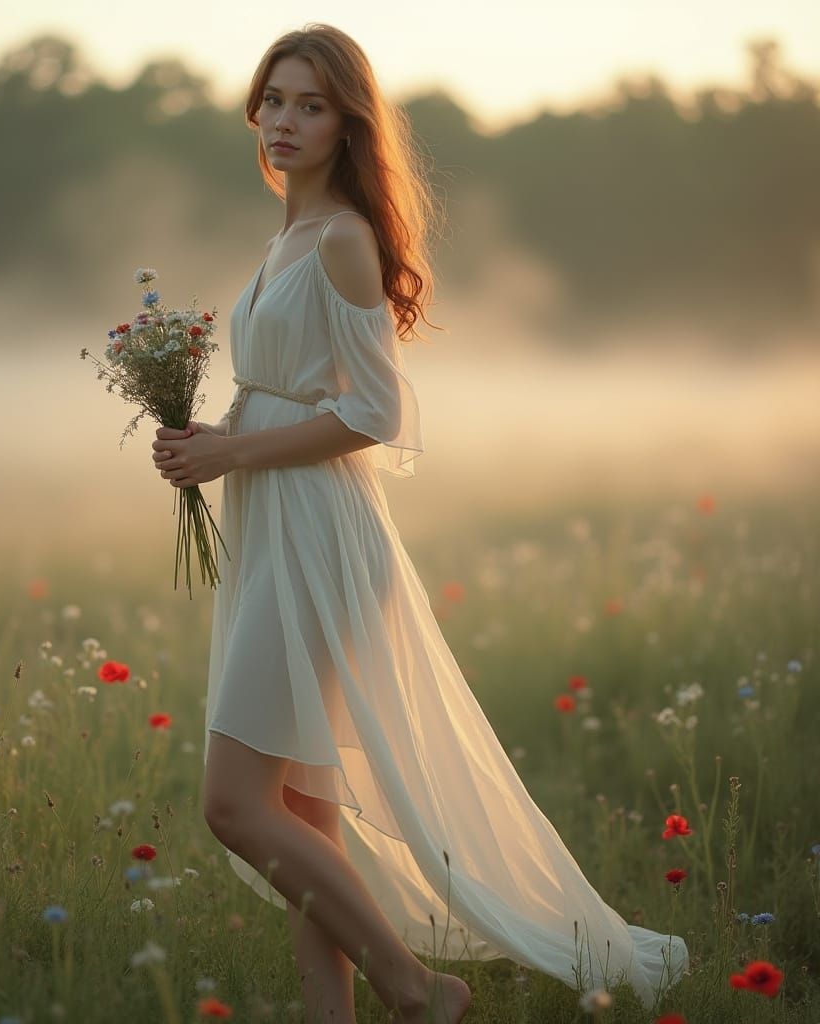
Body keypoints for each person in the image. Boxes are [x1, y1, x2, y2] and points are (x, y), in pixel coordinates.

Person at [150, 23, 688, 1024]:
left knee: (235, 804)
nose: (283, 120)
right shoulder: (284, 239)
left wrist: (232, 452)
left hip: (319, 536)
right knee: (307, 808)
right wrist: (202, 439)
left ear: (347, 122)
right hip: (270, 526)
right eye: (273, 99)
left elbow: (374, 413)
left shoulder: (345, 237)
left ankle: (417, 987)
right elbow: (276, 388)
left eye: (310, 104)